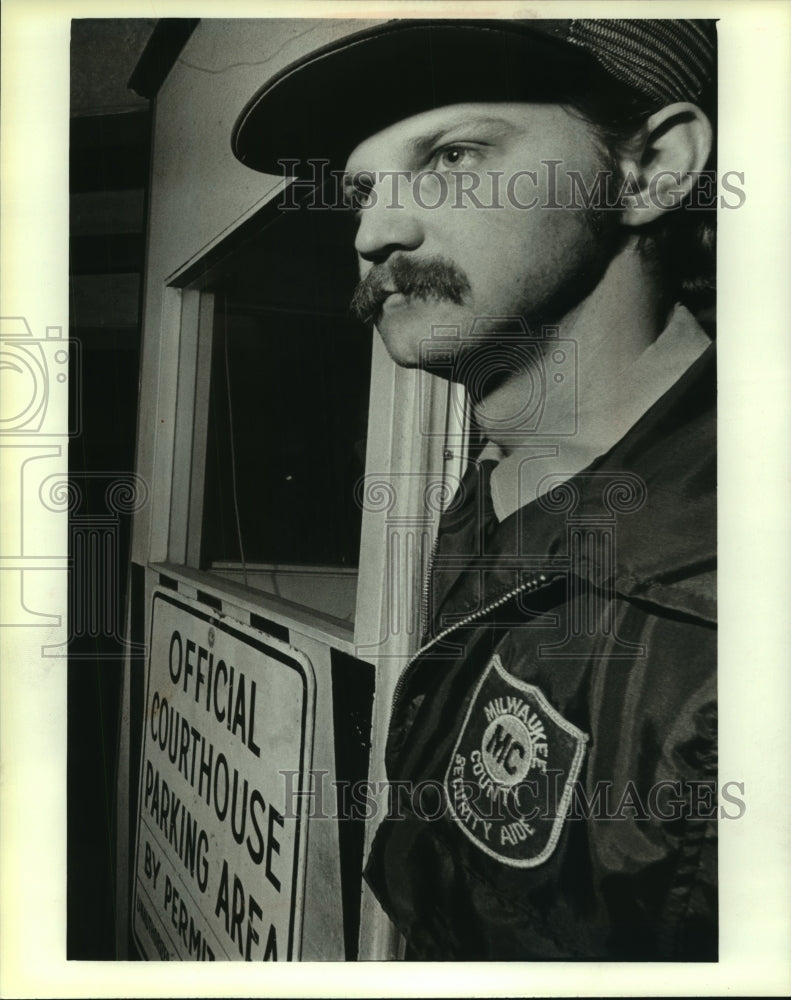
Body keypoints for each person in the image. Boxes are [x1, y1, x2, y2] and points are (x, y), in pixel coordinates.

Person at [232, 19, 718, 960]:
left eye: (453, 155)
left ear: (653, 168)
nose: (376, 231)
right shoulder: (498, 480)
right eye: (364, 191)